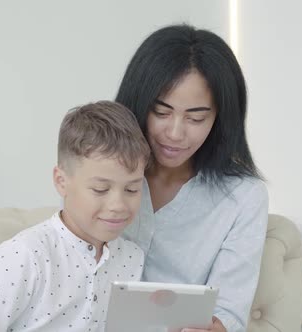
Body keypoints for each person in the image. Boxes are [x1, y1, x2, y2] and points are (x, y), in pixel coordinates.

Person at [115, 24, 269, 332]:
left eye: (196, 118)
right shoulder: (105, 174)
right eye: (161, 112)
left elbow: (229, 313)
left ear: (220, 119)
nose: (174, 134)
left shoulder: (243, 197)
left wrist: (217, 327)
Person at [0, 101, 151, 332]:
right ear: (61, 181)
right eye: (100, 189)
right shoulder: (25, 255)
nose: (118, 205)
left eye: (132, 190)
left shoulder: (132, 258)